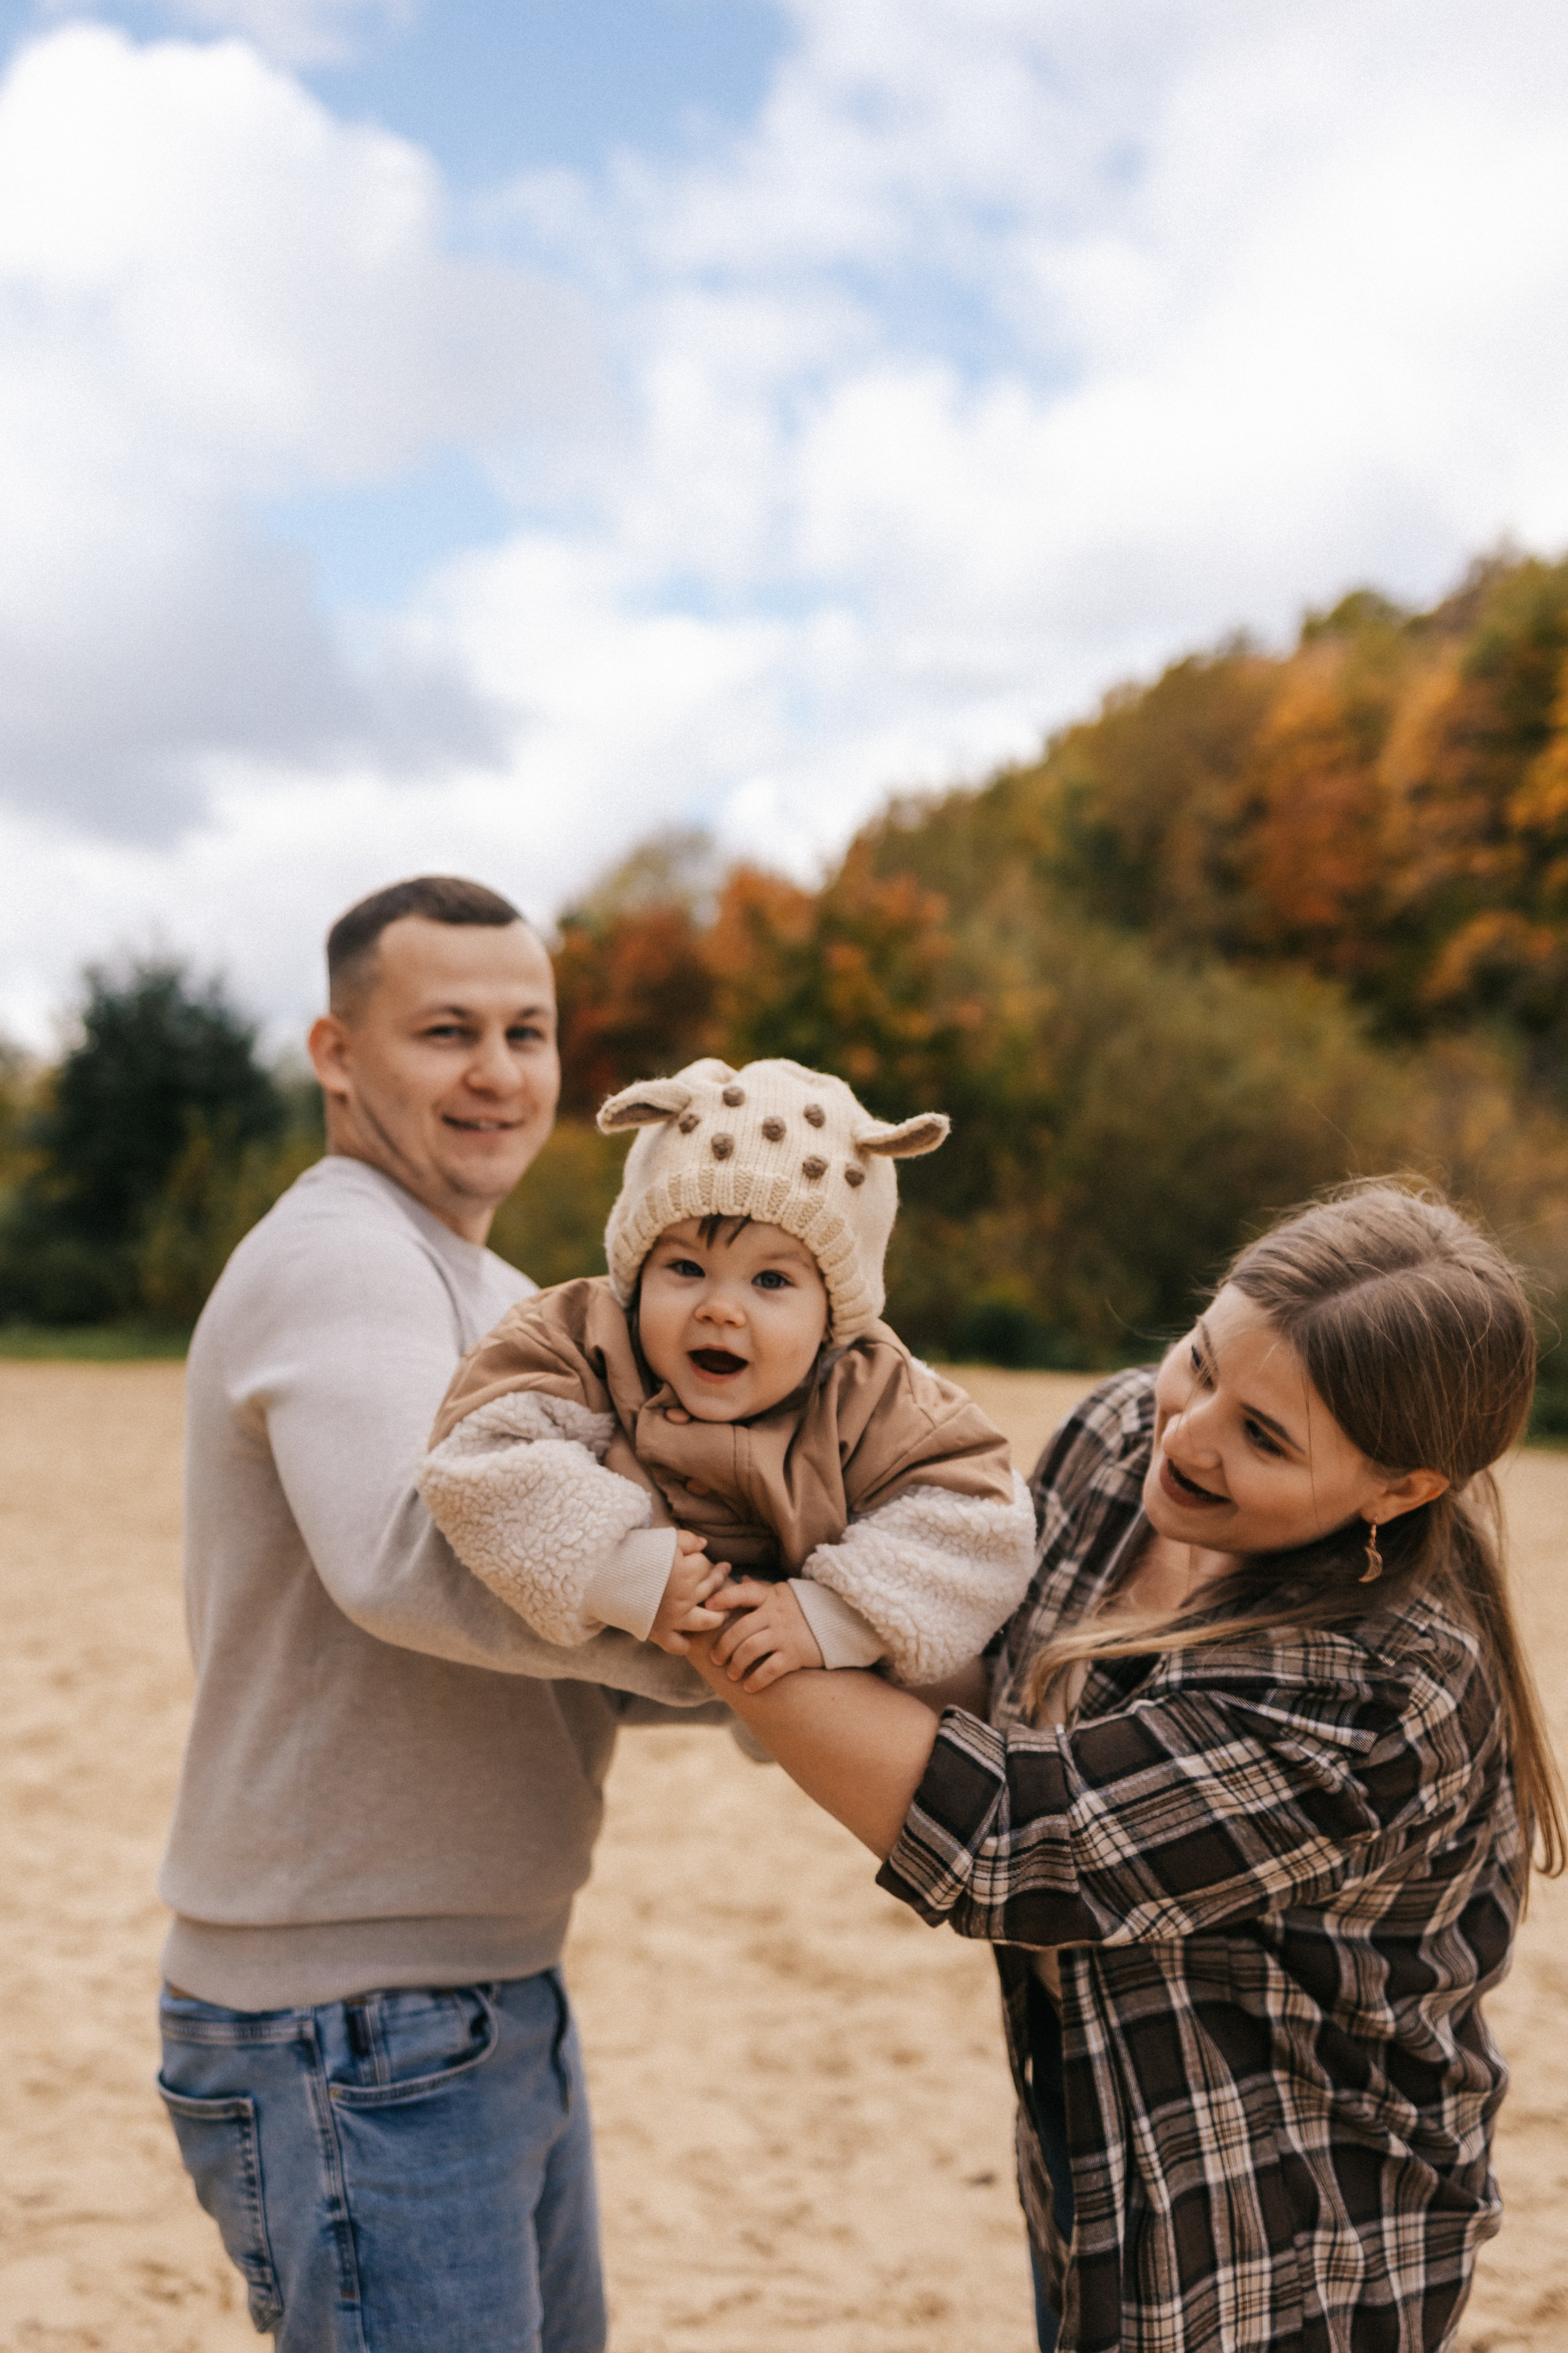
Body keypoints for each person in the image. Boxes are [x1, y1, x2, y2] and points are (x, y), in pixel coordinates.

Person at [684, 1182, 1566, 2352]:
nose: (1188, 1433)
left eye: (1264, 1436)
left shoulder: (1380, 1681)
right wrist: (800, 1591)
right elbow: (991, 1675)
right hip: (1100, 2152)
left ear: (1401, 1492)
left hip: (1293, 2234)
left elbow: (1022, 1840)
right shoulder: (1117, 1443)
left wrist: (702, 1617)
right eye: (1200, 1362)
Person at [157, 876, 721, 2353]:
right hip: (353, 2019)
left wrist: (809, 1648)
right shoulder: (345, 1253)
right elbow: (419, 1561)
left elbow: (572, 1646)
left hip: (471, 1990)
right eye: (447, 1029)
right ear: (336, 1051)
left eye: (526, 1030)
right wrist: (729, 1620)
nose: (497, 1070)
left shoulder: (487, 1290)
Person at [419, 1056, 1036, 1690]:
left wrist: (834, 1616)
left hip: (800, 1700)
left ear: (833, 1314)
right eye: (685, 1268)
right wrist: (622, 1567)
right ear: (636, 1272)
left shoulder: (873, 1393)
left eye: (771, 1280)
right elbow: (478, 1453)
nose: (719, 1308)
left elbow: (982, 1530)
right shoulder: (580, 1337)